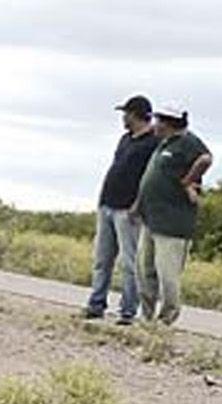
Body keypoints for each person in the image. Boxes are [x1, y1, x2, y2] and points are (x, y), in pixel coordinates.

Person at [133, 103, 213, 325]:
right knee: (144, 269)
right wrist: (137, 205)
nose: (155, 125)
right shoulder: (164, 144)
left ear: (168, 123)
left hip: (173, 222)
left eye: (158, 120)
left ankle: (167, 317)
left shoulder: (187, 142)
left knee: (167, 274)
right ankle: (146, 316)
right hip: (151, 218)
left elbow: (206, 159)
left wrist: (188, 181)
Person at [83, 95, 159, 324]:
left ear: (136, 115)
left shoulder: (152, 143)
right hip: (108, 202)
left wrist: (139, 204)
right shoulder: (125, 139)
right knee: (102, 258)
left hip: (128, 208)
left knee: (129, 261)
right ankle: (96, 303)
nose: (124, 118)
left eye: (127, 113)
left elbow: (150, 178)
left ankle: (128, 309)